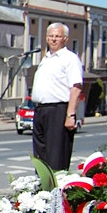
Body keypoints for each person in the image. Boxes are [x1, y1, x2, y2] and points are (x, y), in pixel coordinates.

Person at [31, 22, 84, 171]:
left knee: (56, 155)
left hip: (58, 109)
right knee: (41, 155)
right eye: (51, 36)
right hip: (41, 109)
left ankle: (56, 188)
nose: (53, 39)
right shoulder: (46, 58)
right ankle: (42, 187)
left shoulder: (70, 58)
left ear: (65, 39)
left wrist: (70, 115)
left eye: (58, 36)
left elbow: (76, 87)